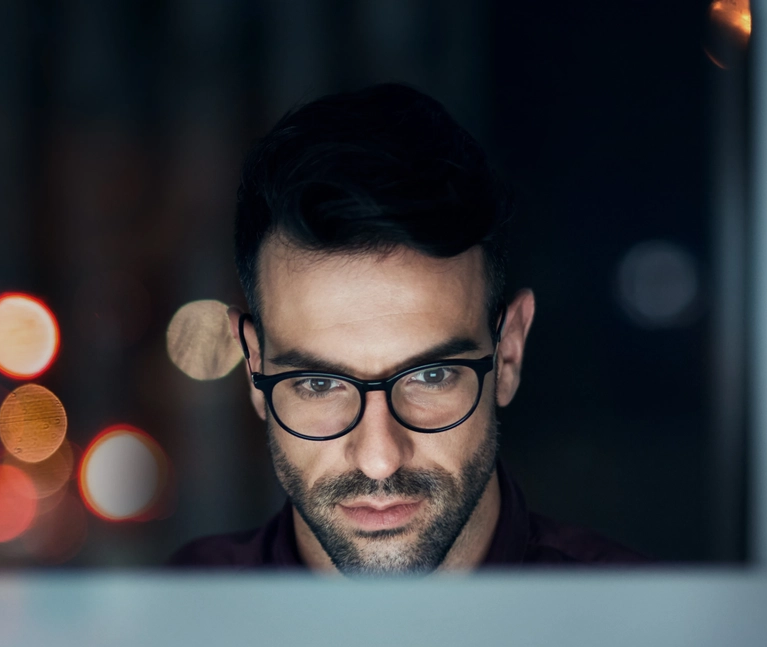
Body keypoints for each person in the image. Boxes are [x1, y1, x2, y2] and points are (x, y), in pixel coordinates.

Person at [172, 83, 643, 573]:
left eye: (431, 376)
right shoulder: (174, 624)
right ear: (254, 369)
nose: (379, 459)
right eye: (319, 384)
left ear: (508, 354)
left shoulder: (635, 630)